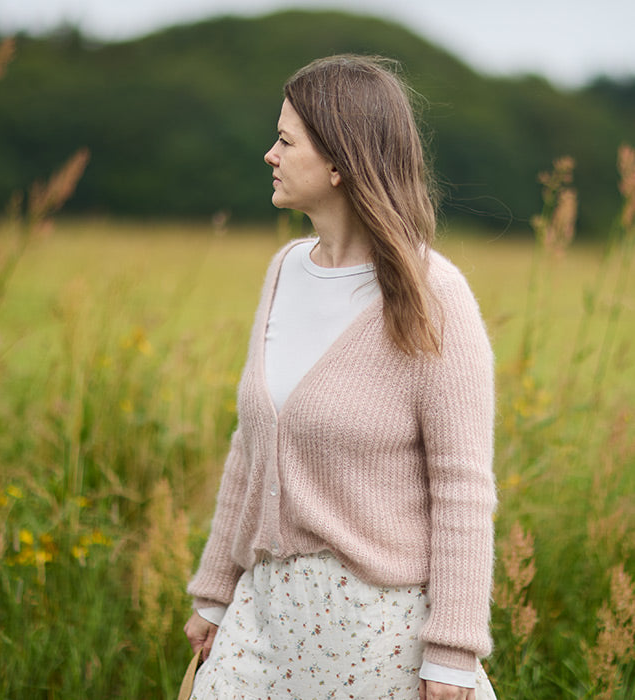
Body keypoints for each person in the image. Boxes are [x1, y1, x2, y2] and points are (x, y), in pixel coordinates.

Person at [184, 54, 498, 700]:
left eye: (285, 140)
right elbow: (249, 452)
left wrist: (452, 653)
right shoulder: (282, 272)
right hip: (263, 619)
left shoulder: (434, 294)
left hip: (375, 635)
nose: (269, 154)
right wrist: (215, 594)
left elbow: (462, 487)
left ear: (338, 164)